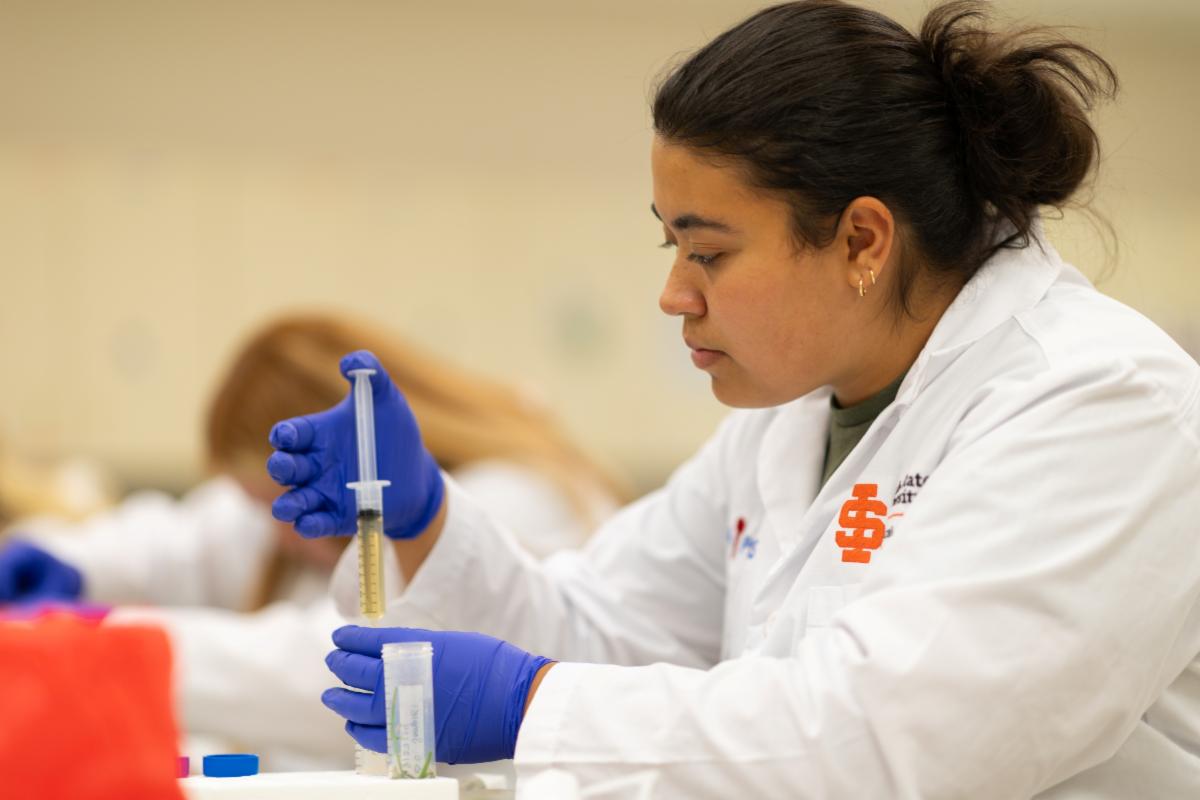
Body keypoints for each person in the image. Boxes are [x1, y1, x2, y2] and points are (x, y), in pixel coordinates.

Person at [268, 2, 1200, 797]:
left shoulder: (1104, 401)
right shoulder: (790, 422)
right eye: (668, 246)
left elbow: (892, 737)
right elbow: (603, 635)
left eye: (708, 250)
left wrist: (532, 705)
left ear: (863, 242)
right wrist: (429, 519)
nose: (675, 293)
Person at [0, 312, 623, 770]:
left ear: (352, 454)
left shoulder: (514, 498)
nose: (279, 530)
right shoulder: (297, 521)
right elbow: (193, 540)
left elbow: (325, 667)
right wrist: (72, 564)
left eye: (277, 504)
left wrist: (107, 643)